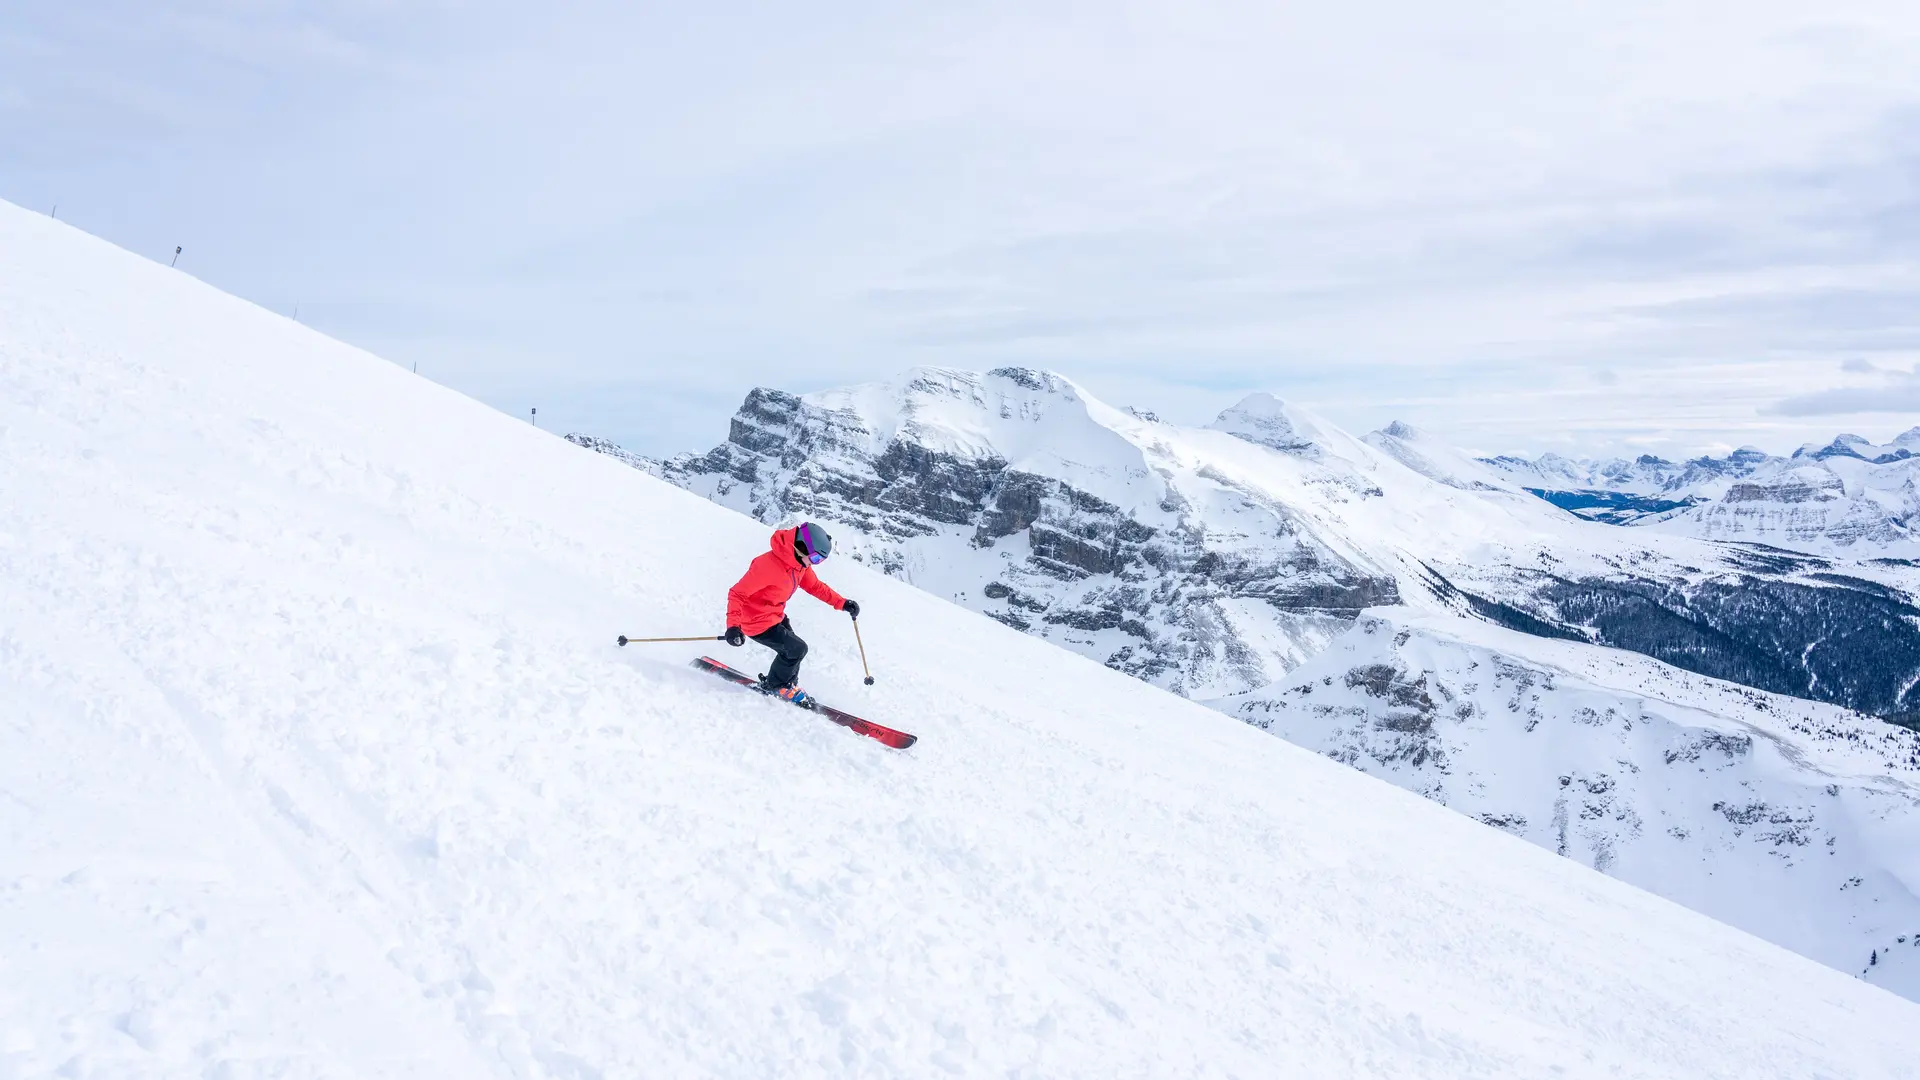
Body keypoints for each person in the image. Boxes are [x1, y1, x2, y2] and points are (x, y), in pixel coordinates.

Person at [724, 522, 860, 704]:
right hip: (754, 620)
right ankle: (776, 686)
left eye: (819, 560)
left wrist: (842, 603)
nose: (814, 564)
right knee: (797, 649)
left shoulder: (799, 565)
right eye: (815, 558)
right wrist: (733, 627)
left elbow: (815, 587)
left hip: (774, 615)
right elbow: (737, 593)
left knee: (794, 650)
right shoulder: (767, 566)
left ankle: (788, 684)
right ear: (801, 547)